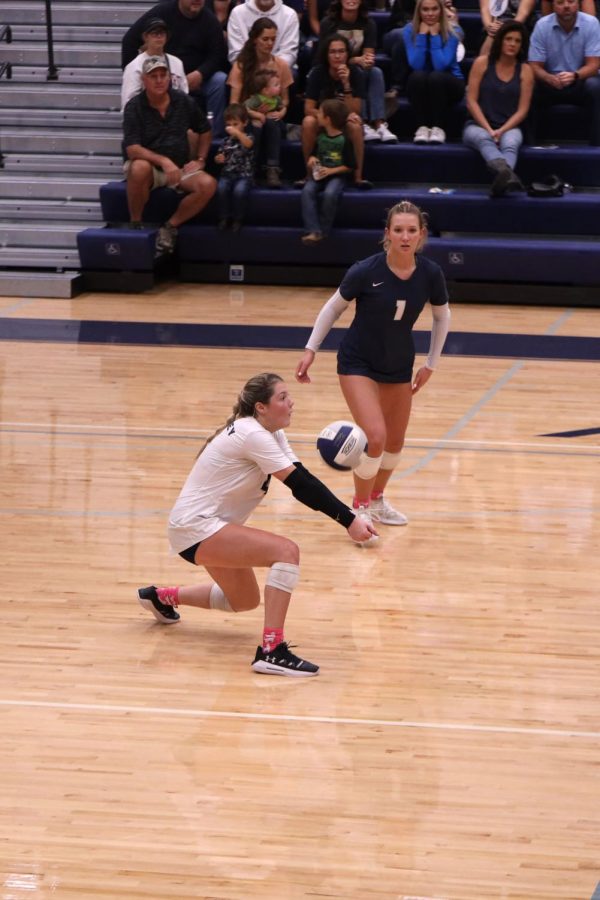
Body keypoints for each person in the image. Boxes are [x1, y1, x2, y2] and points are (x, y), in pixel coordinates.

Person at [137, 372, 376, 676]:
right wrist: (348, 519)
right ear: (261, 407)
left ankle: (160, 597)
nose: (291, 403)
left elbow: (302, 477)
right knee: (286, 552)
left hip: (202, 527)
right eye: (282, 398)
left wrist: (348, 516)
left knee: (244, 600)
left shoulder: (271, 433)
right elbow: (299, 485)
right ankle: (271, 650)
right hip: (197, 526)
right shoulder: (253, 434)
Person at [295, 200, 451, 542]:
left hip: (398, 364)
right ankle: (359, 506)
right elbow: (332, 309)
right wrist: (310, 350)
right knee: (375, 437)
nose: (405, 236)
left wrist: (431, 364)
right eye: (398, 230)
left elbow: (442, 316)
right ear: (387, 234)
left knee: (395, 442)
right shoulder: (366, 271)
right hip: (357, 363)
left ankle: (377, 500)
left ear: (422, 235)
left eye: (412, 230)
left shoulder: (430, 273)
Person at [123, 56, 216, 253]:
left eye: (162, 75)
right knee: (139, 167)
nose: (158, 80)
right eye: (153, 76)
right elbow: (132, 148)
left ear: (169, 78)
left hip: (180, 167)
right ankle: (136, 222)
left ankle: (169, 227)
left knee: (208, 184)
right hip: (152, 168)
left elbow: (205, 130)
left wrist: (200, 159)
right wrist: (163, 161)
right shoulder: (134, 106)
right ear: (144, 81)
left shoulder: (182, 100)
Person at [121, 0, 228, 137]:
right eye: (156, 34)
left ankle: (215, 138)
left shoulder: (210, 21)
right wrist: (137, 75)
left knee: (219, 81)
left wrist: (201, 74)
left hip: (196, 78)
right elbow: (129, 40)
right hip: (162, 75)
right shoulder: (161, 12)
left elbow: (218, 55)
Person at [463, 21, 533, 196]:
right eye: (508, 39)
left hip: (509, 125)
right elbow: (471, 101)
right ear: (500, 40)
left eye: (517, 41)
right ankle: (506, 174)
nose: (512, 44)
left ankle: (503, 177)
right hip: (477, 124)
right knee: (483, 138)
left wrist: (501, 130)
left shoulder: (525, 70)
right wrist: (489, 129)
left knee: (511, 143)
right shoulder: (482, 63)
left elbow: (523, 110)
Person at [318, 0, 398, 142]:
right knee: (357, 71)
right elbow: (326, 57)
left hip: (357, 69)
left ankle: (379, 124)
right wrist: (356, 60)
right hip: (333, 70)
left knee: (375, 72)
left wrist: (367, 61)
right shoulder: (328, 23)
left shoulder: (368, 23)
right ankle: (363, 123)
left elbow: (368, 55)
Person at [228, 18, 294, 188]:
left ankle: (273, 168)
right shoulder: (241, 65)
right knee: (257, 125)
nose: (270, 43)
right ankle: (250, 168)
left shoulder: (281, 65)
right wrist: (253, 113)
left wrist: (282, 112)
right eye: (265, 39)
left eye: (273, 39)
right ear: (255, 39)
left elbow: (285, 99)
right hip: (248, 116)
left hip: (273, 116)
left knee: (272, 122)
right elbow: (234, 103)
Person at [302, 33, 373, 188]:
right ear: (326, 55)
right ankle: (308, 175)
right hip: (324, 121)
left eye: (341, 51)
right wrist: (331, 117)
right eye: (333, 52)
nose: (337, 56)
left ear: (347, 54)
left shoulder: (355, 73)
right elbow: (308, 108)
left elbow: (356, 110)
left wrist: (346, 83)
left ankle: (358, 177)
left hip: (344, 123)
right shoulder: (317, 73)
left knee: (355, 126)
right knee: (308, 122)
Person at [528, 0, 600, 146]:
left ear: (579, 4)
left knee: (595, 86)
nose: (566, 6)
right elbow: (534, 66)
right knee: (529, 85)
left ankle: (596, 146)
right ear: (553, 6)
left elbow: (594, 65)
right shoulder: (542, 25)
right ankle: (529, 145)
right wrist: (547, 77)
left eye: (571, 1)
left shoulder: (591, 23)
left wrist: (575, 76)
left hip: (580, 80)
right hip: (550, 82)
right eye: (560, 2)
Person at [401, 0, 465, 143]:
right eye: (425, 9)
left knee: (436, 76)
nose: (430, 14)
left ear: (441, 10)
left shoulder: (454, 30)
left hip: (450, 84)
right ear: (419, 12)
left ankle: (438, 128)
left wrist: (435, 36)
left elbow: (440, 65)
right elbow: (416, 64)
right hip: (423, 84)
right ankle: (422, 127)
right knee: (417, 76)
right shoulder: (408, 30)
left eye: (434, 9)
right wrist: (422, 36)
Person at [301, 98, 355, 243]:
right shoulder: (320, 138)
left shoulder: (344, 140)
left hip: (336, 175)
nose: (317, 115)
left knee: (330, 194)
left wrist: (331, 171)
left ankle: (324, 230)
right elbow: (313, 154)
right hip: (319, 174)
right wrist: (312, 159)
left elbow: (350, 166)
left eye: (319, 113)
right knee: (307, 191)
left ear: (328, 119)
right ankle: (313, 230)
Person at [121, 18, 188, 112]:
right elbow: (128, 104)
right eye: (154, 33)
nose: (159, 36)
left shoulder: (177, 63)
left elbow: (185, 96)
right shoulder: (134, 67)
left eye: (162, 33)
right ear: (145, 37)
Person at [215, 103, 256, 231]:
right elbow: (220, 155)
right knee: (221, 189)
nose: (231, 128)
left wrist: (238, 133)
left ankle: (238, 219)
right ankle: (224, 217)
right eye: (229, 125)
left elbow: (248, 144)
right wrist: (218, 159)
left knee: (239, 191)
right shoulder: (226, 141)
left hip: (244, 175)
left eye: (235, 124)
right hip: (227, 174)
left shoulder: (248, 137)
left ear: (245, 123)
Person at [227, 0, 300, 68]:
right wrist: (256, 70)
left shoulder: (290, 15)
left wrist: (268, 69)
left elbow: (289, 54)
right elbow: (235, 55)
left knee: (292, 74)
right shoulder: (237, 13)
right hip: (246, 70)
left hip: (278, 71)